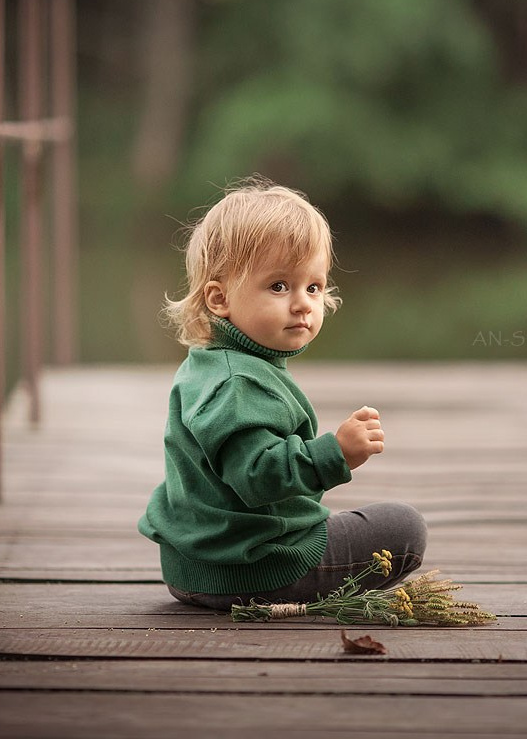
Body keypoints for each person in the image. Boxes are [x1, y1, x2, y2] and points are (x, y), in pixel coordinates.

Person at [138, 178, 427, 610]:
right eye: (278, 286)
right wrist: (335, 453)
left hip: (194, 568)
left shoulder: (208, 364)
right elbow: (255, 476)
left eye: (313, 287)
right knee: (405, 528)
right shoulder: (238, 381)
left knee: (342, 523)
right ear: (219, 298)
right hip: (253, 568)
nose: (302, 304)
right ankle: (297, 583)